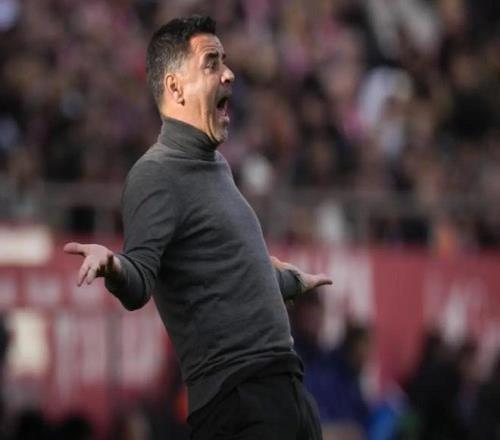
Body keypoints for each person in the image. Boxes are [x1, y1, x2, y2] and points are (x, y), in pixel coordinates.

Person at [64, 15, 332, 440]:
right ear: (175, 88)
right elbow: (139, 281)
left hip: (285, 393)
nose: (229, 74)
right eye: (211, 63)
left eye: (225, 60)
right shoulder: (155, 174)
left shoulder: (216, 166)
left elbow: (222, 273)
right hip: (240, 403)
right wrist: (113, 266)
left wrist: (289, 282)